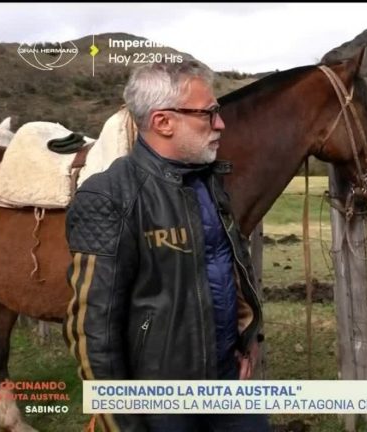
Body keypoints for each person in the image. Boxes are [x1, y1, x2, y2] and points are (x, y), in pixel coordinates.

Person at [64, 60, 269, 432]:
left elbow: (228, 266)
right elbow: (92, 328)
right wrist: (121, 423)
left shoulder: (209, 181)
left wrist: (246, 335)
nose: (220, 124)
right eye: (208, 113)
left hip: (227, 380)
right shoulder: (110, 196)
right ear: (163, 122)